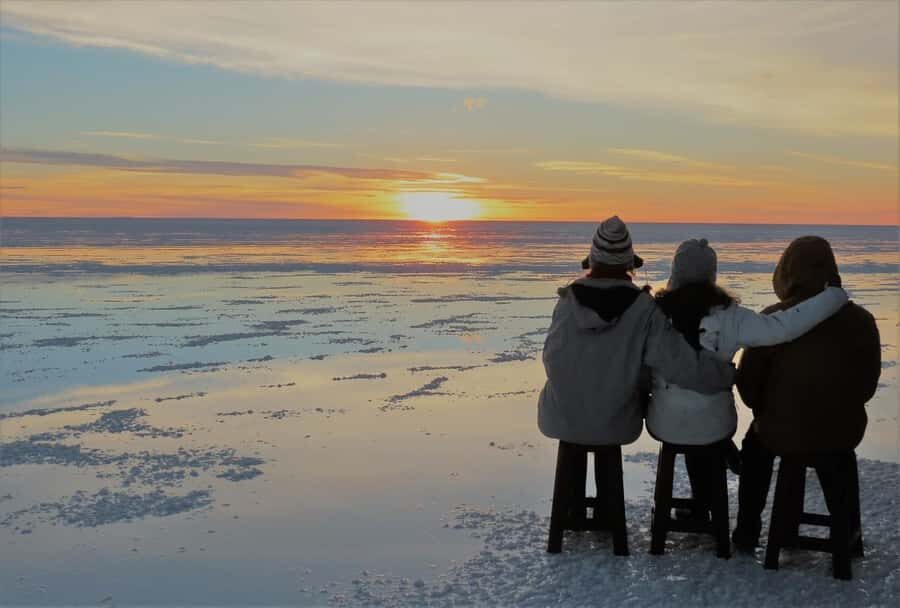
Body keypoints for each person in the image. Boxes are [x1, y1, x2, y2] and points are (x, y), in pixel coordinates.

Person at [645, 238, 848, 518]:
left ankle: (700, 505)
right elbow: (782, 328)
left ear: (675, 271)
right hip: (716, 423)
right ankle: (708, 497)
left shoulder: (653, 315)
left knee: (685, 410)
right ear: (711, 275)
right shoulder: (732, 317)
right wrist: (833, 296)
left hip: (664, 422)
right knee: (705, 421)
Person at [731, 236, 881, 550]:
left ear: (786, 272)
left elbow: (748, 385)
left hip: (781, 431)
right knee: (839, 456)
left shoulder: (774, 318)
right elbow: (866, 386)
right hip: (841, 431)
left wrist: (770, 412)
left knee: (756, 446)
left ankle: (747, 530)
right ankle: (849, 533)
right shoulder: (862, 321)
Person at [538, 216, 735, 447]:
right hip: (617, 424)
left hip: (559, 420)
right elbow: (677, 363)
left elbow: (551, 358)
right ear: (630, 265)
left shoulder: (567, 301)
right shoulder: (643, 308)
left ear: (591, 262)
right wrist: (727, 375)